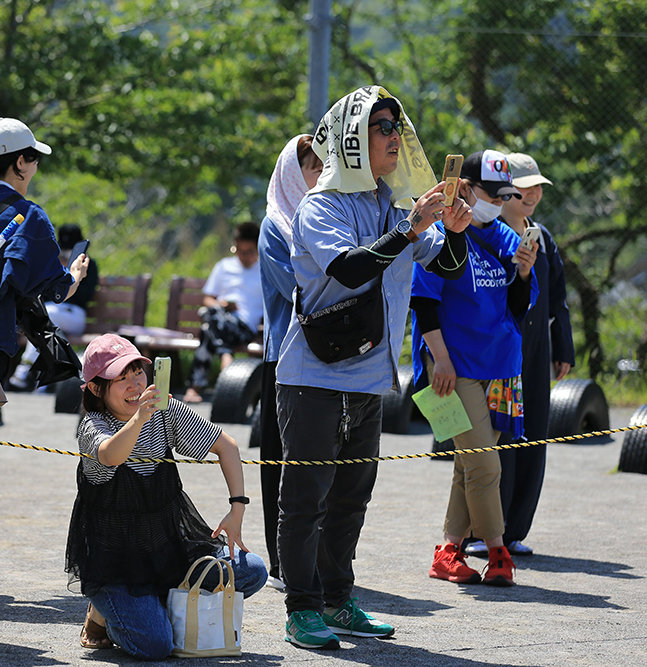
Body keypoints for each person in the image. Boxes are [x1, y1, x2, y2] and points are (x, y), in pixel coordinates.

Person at [275, 85, 472, 649]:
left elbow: (448, 267)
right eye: (382, 127)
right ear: (352, 139)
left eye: (397, 127)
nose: (395, 137)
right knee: (305, 502)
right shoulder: (322, 205)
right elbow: (348, 268)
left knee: (350, 500)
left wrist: (455, 232)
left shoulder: (391, 204)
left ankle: (338, 600)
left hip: (370, 382)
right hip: (313, 377)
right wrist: (410, 228)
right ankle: (301, 610)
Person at [0, 117, 87, 591]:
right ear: (21, 163)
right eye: (33, 158)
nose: (35, 167)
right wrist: (76, 273)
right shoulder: (29, 216)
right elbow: (53, 287)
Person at [64, 334, 267, 659]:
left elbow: (226, 445)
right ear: (95, 388)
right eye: (121, 378)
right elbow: (111, 455)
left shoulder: (163, 411)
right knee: (156, 646)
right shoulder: (93, 426)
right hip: (115, 566)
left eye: (138, 373)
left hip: (169, 552)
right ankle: (102, 614)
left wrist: (237, 509)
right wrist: (139, 417)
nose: (135, 384)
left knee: (253, 570)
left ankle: (157, 607)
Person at [412, 149, 537, 588]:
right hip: (452, 366)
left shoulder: (506, 237)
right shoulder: (441, 232)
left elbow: (517, 308)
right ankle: (498, 552)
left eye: (505, 196)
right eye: (491, 194)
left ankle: (448, 552)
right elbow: (423, 301)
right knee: (485, 465)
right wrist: (440, 359)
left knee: (469, 463)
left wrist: (523, 274)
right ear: (464, 187)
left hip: (501, 365)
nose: (499, 203)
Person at [463, 152, 574, 559]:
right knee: (497, 437)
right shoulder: (483, 234)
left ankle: (515, 530)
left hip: (536, 353)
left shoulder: (541, 238)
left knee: (533, 435)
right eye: (522, 188)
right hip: (496, 352)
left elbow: (557, 297)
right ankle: (483, 530)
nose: (532, 194)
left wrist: (563, 348)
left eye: (537, 187)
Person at [257, 134, 321, 590]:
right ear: (292, 175)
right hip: (284, 356)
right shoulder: (275, 226)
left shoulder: (331, 219)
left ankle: (319, 560)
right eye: (313, 167)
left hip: (326, 359)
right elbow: (299, 287)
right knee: (280, 463)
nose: (321, 175)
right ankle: (282, 563)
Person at [9, 223, 99, 391]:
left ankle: (24, 368)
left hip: (74, 316)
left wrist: (73, 274)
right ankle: (43, 385)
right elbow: (42, 292)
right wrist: (59, 270)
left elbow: (85, 296)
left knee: (44, 318)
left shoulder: (88, 264)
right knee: (47, 329)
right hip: (52, 315)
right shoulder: (53, 262)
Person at [183, 222, 263, 403]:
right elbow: (208, 299)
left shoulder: (265, 270)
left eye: (249, 252)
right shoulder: (224, 266)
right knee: (211, 313)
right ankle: (225, 352)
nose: (244, 257)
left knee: (208, 324)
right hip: (221, 319)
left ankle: (195, 387)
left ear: (258, 248)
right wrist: (223, 305)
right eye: (240, 251)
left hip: (245, 328)